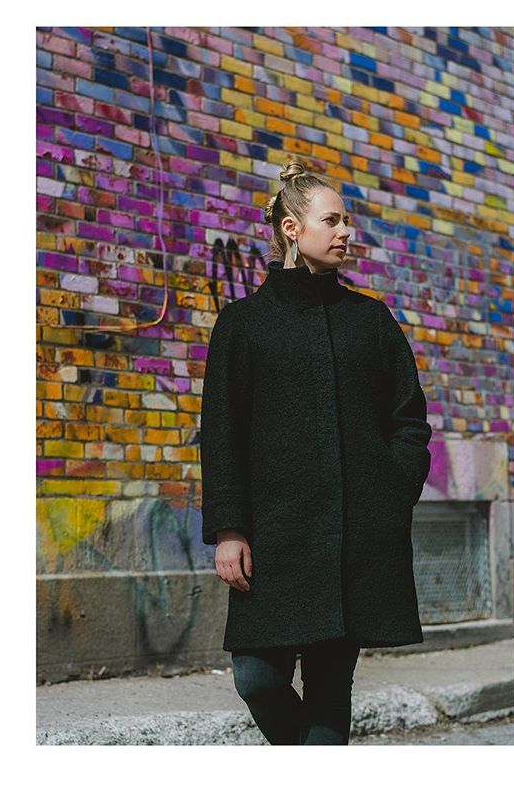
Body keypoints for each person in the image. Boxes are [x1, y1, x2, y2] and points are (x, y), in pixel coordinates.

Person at [199, 158, 432, 745]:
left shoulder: (370, 320)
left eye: (346, 220)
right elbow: (222, 433)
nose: (346, 232)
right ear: (291, 228)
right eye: (332, 220)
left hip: (355, 540)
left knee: (330, 692)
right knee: (256, 678)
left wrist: (392, 489)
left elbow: (409, 420)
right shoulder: (243, 324)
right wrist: (229, 529)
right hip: (273, 540)